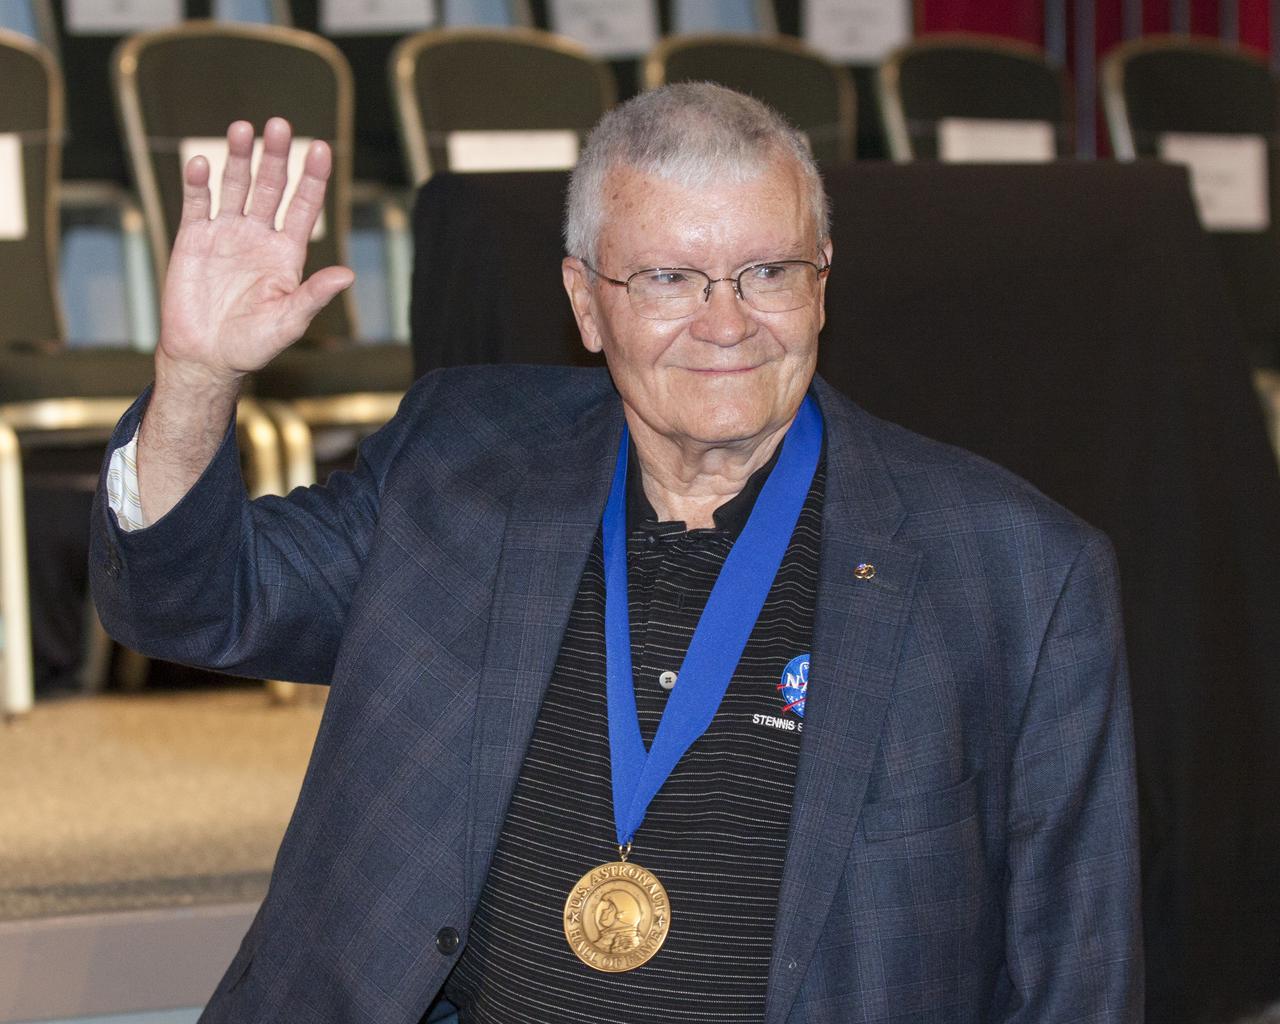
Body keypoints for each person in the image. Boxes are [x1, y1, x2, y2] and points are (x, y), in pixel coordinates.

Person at [90, 83, 1142, 1023]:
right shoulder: (459, 467)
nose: (725, 323)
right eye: (669, 279)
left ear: (821, 284)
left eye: (765, 270)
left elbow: (1075, 973)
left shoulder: (1012, 571)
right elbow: (193, 602)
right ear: (586, 301)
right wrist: (194, 376)